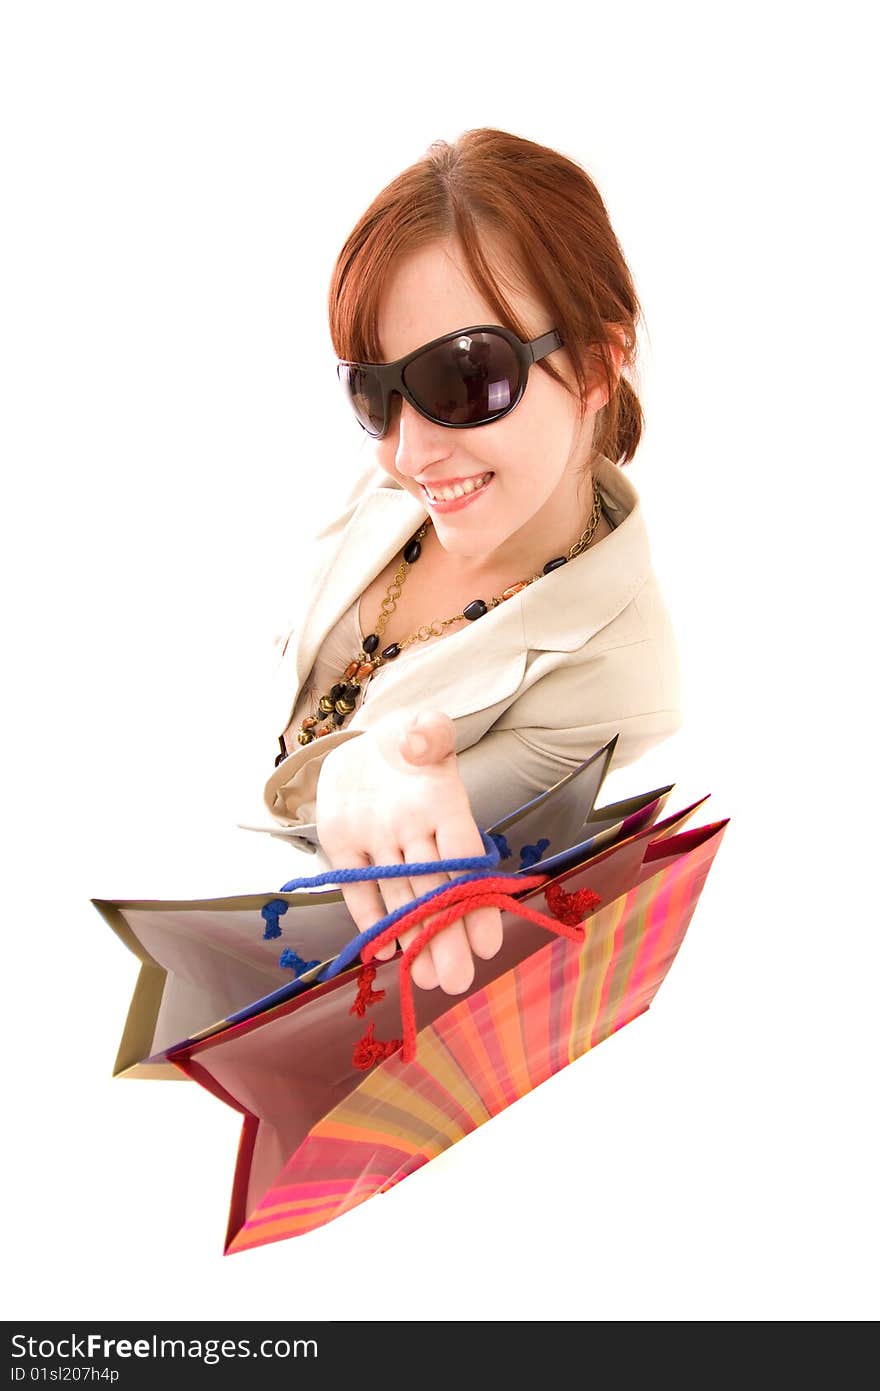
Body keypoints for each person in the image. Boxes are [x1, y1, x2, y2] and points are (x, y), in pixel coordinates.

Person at [259, 128, 683, 999]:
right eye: (374, 393)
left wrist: (356, 770)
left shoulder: (619, 682)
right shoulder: (405, 493)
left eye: (464, 379)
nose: (408, 451)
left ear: (599, 364)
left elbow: (389, 837)